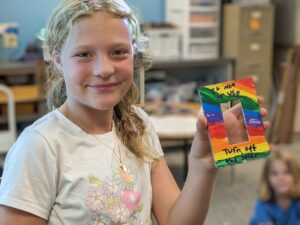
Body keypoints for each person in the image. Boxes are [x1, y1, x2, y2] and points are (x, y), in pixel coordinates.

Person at [0, 0, 269, 224]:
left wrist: (202, 164)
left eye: (118, 52)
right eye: (84, 54)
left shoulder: (139, 123)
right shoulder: (38, 146)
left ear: (134, 54)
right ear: (58, 60)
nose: (104, 69)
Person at [250, 149, 300, 225]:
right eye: (275, 174)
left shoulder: (297, 199)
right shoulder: (264, 204)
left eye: (287, 172)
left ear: (296, 175)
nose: (281, 178)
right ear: (267, 178)